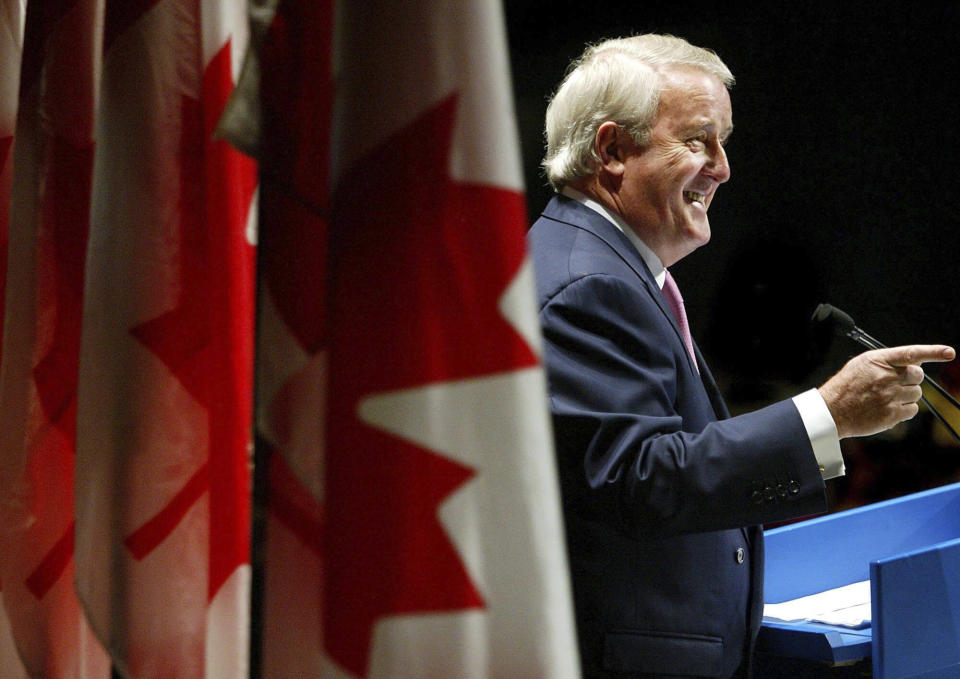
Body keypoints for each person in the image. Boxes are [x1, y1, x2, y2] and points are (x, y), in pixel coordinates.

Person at [527, 34, 955, 679]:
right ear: (612, 151)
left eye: (724, 141)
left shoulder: (603, 264)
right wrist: (824, 415)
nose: (722, 167)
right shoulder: (591, 284)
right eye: (698, 140)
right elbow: (638, 478)